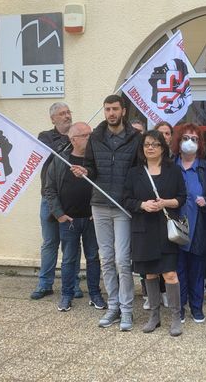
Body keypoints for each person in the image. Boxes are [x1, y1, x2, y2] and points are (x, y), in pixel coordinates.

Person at [71, 94, 141, 331]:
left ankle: (127, 310)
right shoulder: (96, 138)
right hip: (99, 204)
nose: (111, 113)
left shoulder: (135, 138)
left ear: (123, 111)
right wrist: (84, 171)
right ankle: (113, 307)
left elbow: (139, 171)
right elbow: (91, 166)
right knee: (107, 259)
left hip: (122, 206)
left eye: (114, 109)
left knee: (123, 260)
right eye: (107, 109)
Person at [123, 130, 186, 336]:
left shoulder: (173, 170)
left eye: (155, 144)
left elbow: (181, 198)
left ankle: (176, 316)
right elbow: (126, 200)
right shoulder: (134, 173)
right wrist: (142, 204)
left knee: (170, 273)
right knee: (150, 273)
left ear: (163, 148)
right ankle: (154, 316)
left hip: (165, 229)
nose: (150, 147)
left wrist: (164, 203)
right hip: (143, 229)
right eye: (147, 144)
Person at [44, 122, 107, 312]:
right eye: (86, 135)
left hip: (91, 219)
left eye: (91, 134)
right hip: (68, 220)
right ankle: (66, 295)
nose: (90, 138)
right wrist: (60, 214)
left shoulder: (96, 159)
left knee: (93, 257)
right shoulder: (61, 160)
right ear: (73, 139)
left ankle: (95, 294)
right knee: (69, 259)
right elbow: (50, 189)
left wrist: (100, 211)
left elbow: (105, 185)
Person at [31, 102, 82, 300]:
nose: (67, 116)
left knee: (71, 245)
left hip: (70, 200)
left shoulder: (77, 135)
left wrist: (77, 137)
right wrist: (71, 140)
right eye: (62, 114)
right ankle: (45, 284)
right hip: (50, 199)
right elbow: (52, 154)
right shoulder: (45, 137)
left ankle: (73, 284)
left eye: (68, 112)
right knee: (50, 242)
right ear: (53, 119)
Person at [171, 123, 206, 323]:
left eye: (194, 139)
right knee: (178, 270)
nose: (189, 142)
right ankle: (179, 308)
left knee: (197, 270)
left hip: (199, 227)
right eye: (185, 138)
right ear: (178, 141)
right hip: (175, 225)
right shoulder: (170, 166)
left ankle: (197, 308)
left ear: (200, 144)